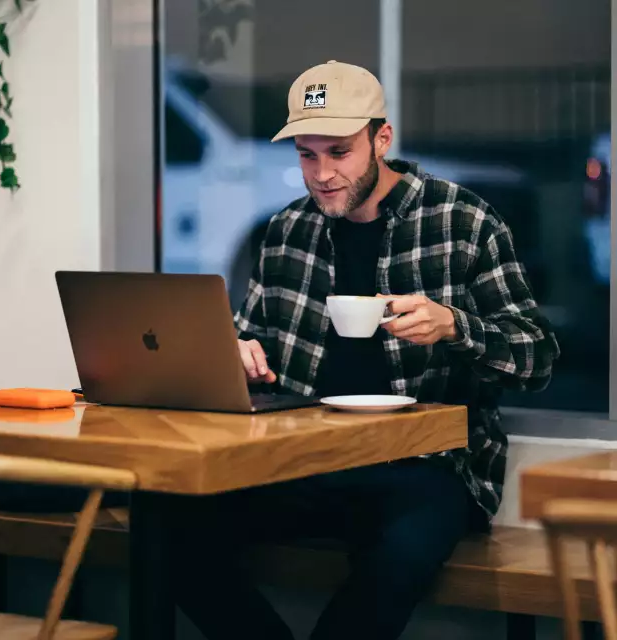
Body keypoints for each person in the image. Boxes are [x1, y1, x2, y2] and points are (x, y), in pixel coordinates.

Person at [170, 60, 560, 640]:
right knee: (167, 526)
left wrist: (455, 326)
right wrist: (239, 353)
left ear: (382, 139)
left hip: (429, 467)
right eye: (307, 154)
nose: (322, 173)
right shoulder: (285, 231)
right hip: (307, 459)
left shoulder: (463, 222)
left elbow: (538, 358)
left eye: (339, 151)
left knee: (399, 552)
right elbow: (247, 335)